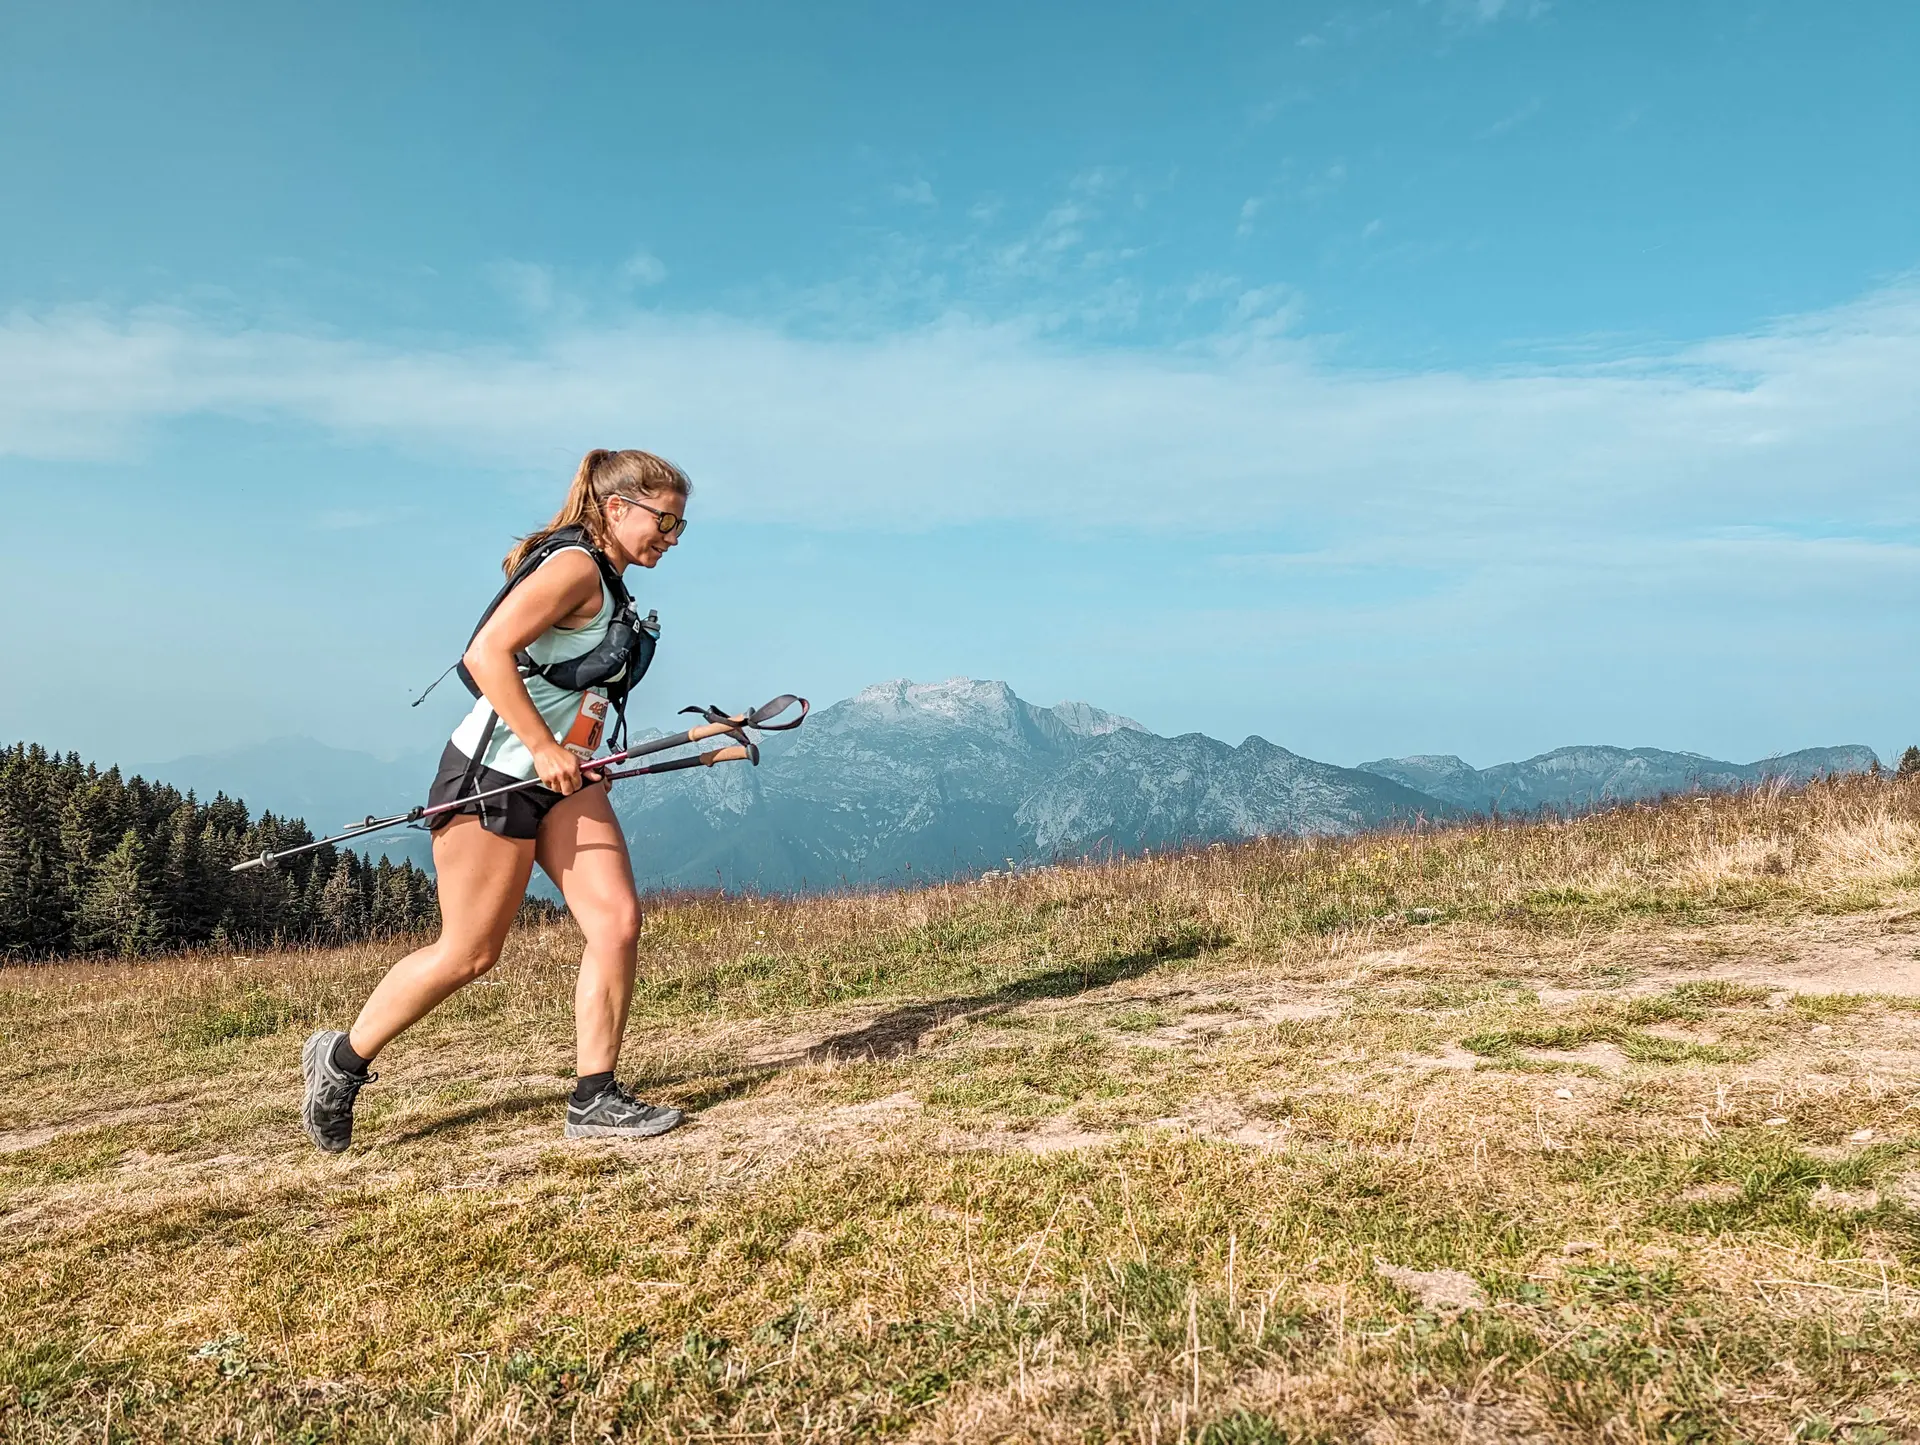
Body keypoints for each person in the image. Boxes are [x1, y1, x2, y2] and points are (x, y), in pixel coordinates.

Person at [300, 448, 691, 1152]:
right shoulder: (573, 567)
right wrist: (543, 746)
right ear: (617, 507)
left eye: (679, 527)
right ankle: (339, 1060)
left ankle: (594, 1098)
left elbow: (582, 683)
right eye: (663, 520)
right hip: (493, 776)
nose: (670, 536)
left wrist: (572, 752)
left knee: (617, 920)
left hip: (562, 776)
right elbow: (485, 653)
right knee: (470, 953)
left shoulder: (611, 581)